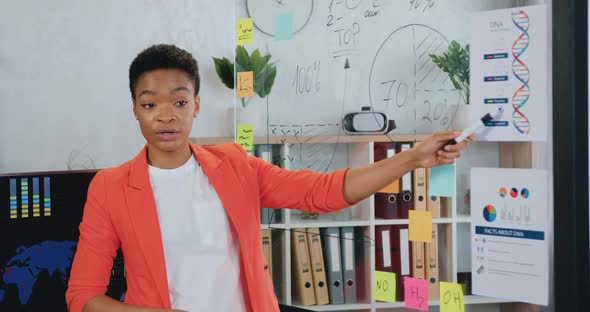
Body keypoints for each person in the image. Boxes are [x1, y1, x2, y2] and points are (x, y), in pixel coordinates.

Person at [66, 44, 469, 312]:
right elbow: (83, 296)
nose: (166, 115)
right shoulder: (111, 186)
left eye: (180, 101)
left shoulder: (235, 165)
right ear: (135, 109)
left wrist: (413, 158)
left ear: (197, 106)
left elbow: (322, 193)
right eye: (150, 103)